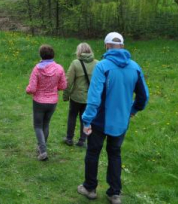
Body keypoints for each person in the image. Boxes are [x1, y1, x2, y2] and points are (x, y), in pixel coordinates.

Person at [77, 32, 149, 204]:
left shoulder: (103, 66)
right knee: (115, 154)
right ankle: (114, 193)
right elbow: (143, 96)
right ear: (122, 46)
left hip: (99, 121)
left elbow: (94, 99)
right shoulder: (135, 67)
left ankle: (89, 188)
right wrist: (133, 110)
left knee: (93, 152)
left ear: (106, 46)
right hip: (121, 121)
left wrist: (86, 120)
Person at [26, 44, 67, 161]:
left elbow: (32, 88)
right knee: (46, 124)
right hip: (52, 101)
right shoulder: (59, 68)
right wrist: (54, 88)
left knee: (38, 125)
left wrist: (27, 90)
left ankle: (43, 150)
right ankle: (42, 147)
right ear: (52, 54)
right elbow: (63, 85)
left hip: (39, 101)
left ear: (41, 55)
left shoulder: (37, 69)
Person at [63, 43, 98, 147]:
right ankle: (82, 140)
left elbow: (68, 81)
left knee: (72, 116)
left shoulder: (75, 63)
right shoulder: (98, 63)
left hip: (76, 97)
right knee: (86, 119)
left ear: (78, 51)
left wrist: (66, 95)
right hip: (90, 98)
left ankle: (69, 138)